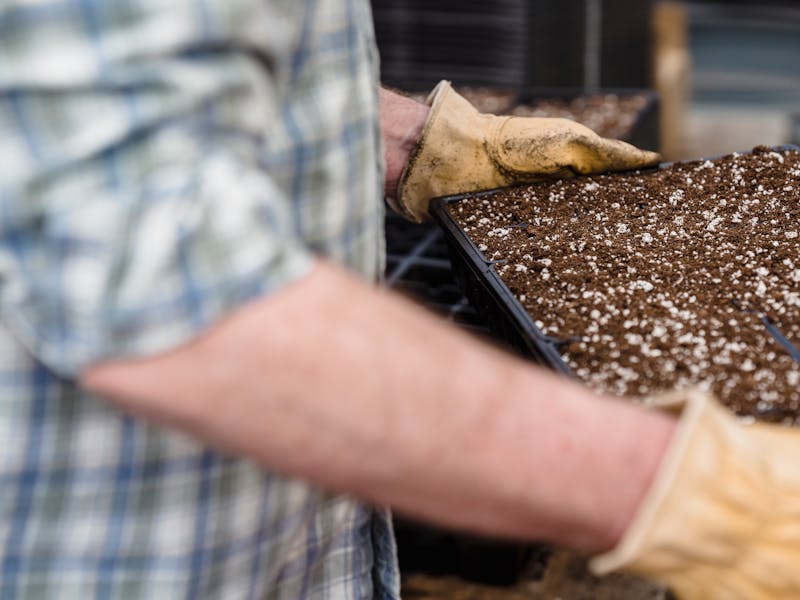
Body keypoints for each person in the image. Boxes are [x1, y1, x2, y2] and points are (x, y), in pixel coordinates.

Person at [0, 1, 797, 598]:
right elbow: (156, 289)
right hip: (128, 551)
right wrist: (703, 495)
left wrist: (409, 142)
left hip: (283, 530)